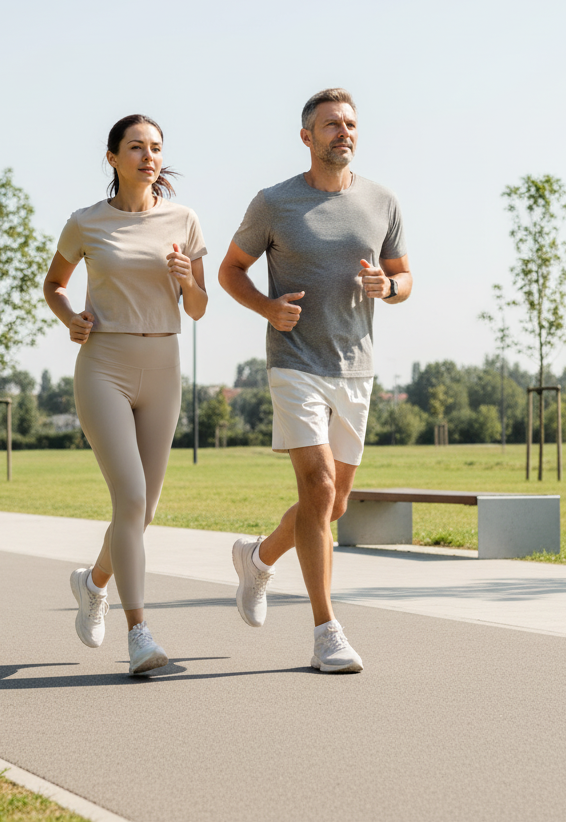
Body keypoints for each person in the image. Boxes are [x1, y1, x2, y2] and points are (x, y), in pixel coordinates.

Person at [218, 88, 411, 673]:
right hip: (295, 359)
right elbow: (231, 270)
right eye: (331, 125)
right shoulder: (274, 203)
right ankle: (327, 630)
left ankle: (257, 558)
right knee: (319, 485)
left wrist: (390, 288)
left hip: (356, 365)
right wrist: (268, 308)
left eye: (350, 123)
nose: (343, 132)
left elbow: (404, 276)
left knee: (333, 504)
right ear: (307, 137)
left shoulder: (382, 201)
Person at [44, 114, 207, 675]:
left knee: (145, 509)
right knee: (131, 499)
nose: (148, 155)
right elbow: (54, 283)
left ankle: (92, 584)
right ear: (113, 158)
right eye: (136, 146)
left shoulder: (183, 220)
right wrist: (70, 317)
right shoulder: (86, 223)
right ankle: (140, 632)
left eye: (156, 147)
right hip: (105, 365)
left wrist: (187, 277)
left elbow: (199, 306)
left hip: (163, 364)